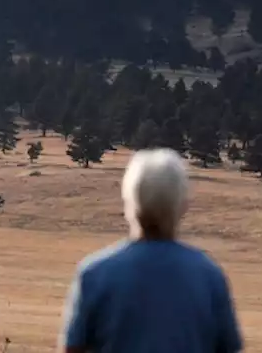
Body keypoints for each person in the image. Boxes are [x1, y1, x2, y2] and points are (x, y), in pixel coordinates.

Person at [60, 147, 243, 353]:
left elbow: (72, 349)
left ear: (129, 201)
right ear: (182, 205)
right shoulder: (209, 276)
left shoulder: (95, 274)